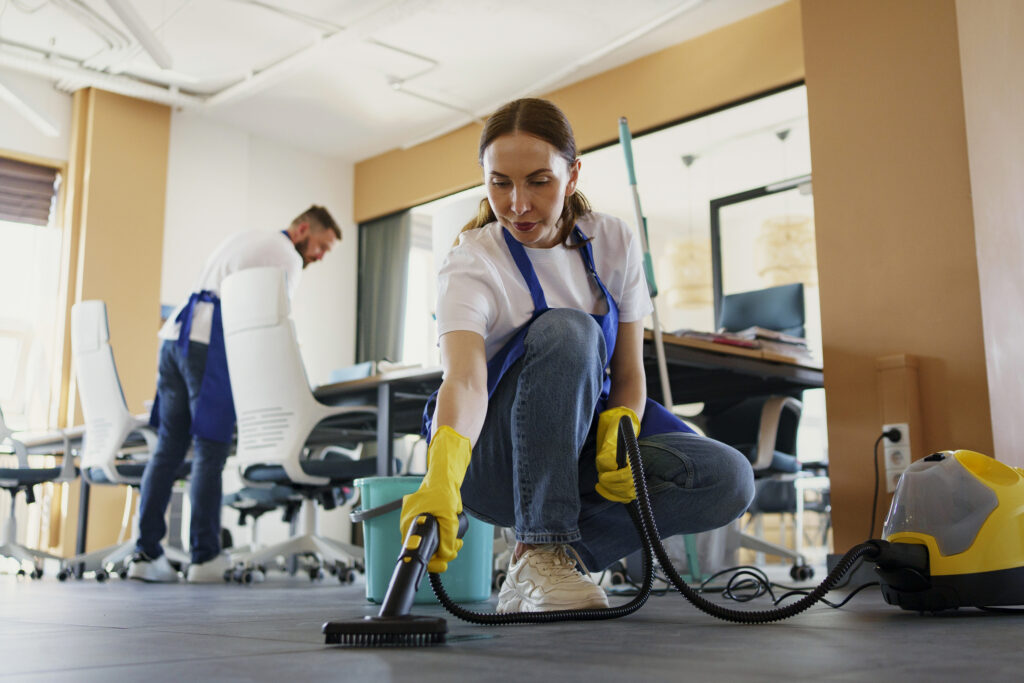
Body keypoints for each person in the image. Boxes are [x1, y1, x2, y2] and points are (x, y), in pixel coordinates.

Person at [400, 99, 754, 612]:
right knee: (570, 329)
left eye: (538, 181)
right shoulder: (472, 262)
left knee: (727, 478)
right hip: (494, 462)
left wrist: (623, 425)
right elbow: (466, 381)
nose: (518, 203)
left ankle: (549, 560)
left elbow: (630, 374)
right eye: (500, 183)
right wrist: (441, 476)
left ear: (572, 175)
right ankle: (541, 546)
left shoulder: (611, 240)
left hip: (579, 450)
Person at [127, 206, 341, 583]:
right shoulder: (286, 255)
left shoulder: (247, 238)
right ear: (304, 229)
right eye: (321, 246)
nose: (320, 257)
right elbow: (273, 326)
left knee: (168, 449)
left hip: (176, 336)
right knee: (211, 447)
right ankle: (205, 557)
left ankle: (146, 555)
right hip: (209, 342)